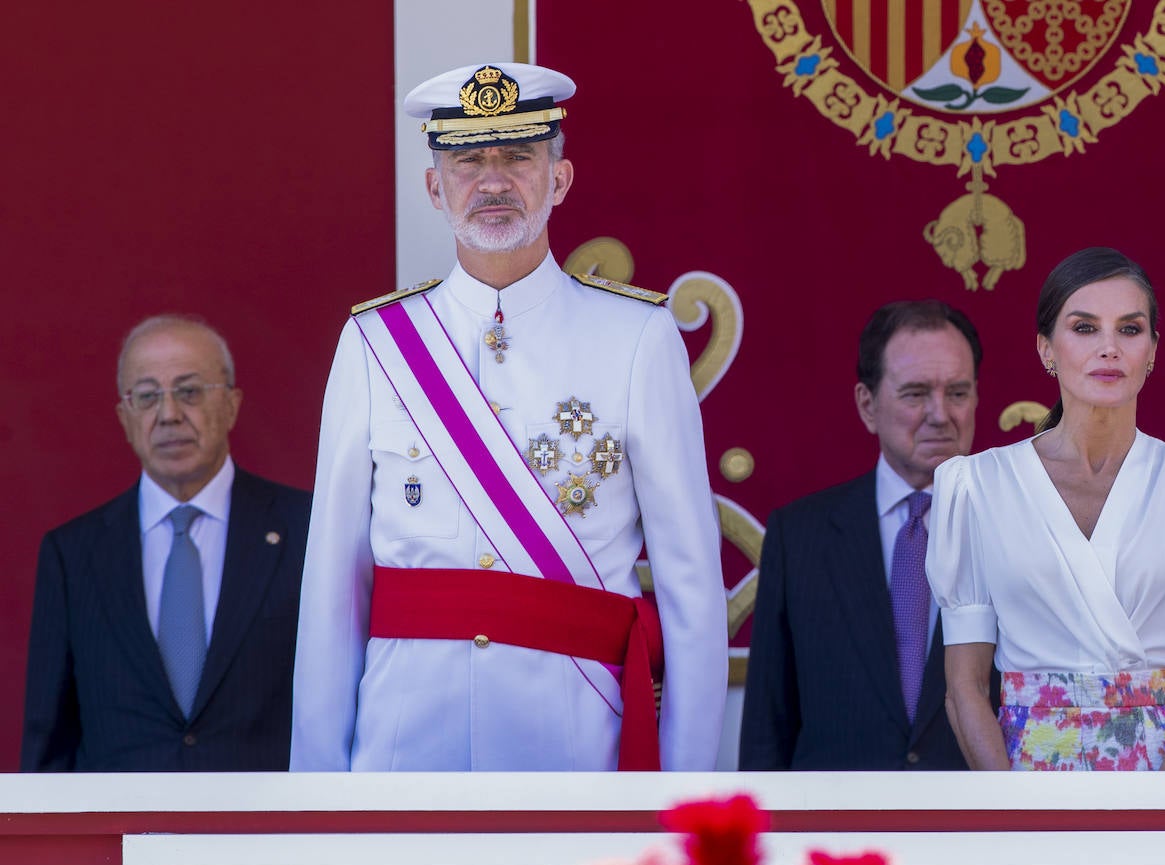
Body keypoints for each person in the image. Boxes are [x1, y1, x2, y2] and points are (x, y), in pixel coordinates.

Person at [290, 62, 726, 772]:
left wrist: (684, 794)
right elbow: (334, 585)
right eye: (467, 162)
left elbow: (691, 589)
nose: (493, 182)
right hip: (404, 746)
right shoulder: (376, 342)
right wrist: (320, 785)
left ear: (558, 179)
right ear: (436, 187)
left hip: (577, 738)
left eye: (518, 157)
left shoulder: (637, 338)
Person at [932, 247, 1165, 771]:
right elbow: (963, 688)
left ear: (1152, 350)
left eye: (1129, 329)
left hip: (1158, 786)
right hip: (1022, 788)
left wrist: (1158, 814)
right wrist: (1011, 820)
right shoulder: (976, 485)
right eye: (1084, 328)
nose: (1109, 348)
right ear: (1045, 349)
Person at [21, 316, 311, 771]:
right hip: (117, 834)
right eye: (147, 396)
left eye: (190, 391)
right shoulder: (72, 554)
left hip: (266, 832)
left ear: (232, 405)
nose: (169, 414)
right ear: (125, 417)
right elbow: (49, 739)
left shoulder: (307, 531)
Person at [739, 299, 985, 770]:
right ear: (868, 405)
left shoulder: (1016, 529)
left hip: (977, 830)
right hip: (835, 829)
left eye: (957, 392)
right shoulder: (800, 536)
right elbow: (767, 728)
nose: (939, 414)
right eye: (915, 394)